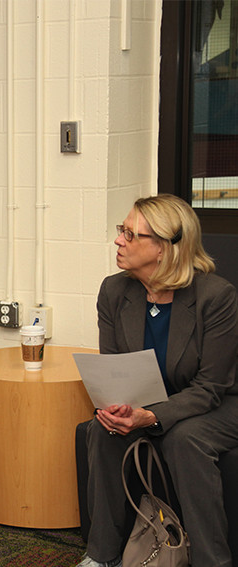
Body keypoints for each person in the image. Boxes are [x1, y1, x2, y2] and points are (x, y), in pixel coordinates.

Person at [78, 194, 238, 567]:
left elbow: (212, 387)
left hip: (219, 402)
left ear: (164, 249)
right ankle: (101, 555)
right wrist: (117, 406)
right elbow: (115, 368)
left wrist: (151, 417)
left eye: (131, 235)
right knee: (101, 430)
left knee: (185, 438)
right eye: (122, 231)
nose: (119, 240)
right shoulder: (114, 291)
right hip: (149, 401)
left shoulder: (216, 297)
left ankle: (212, 561)